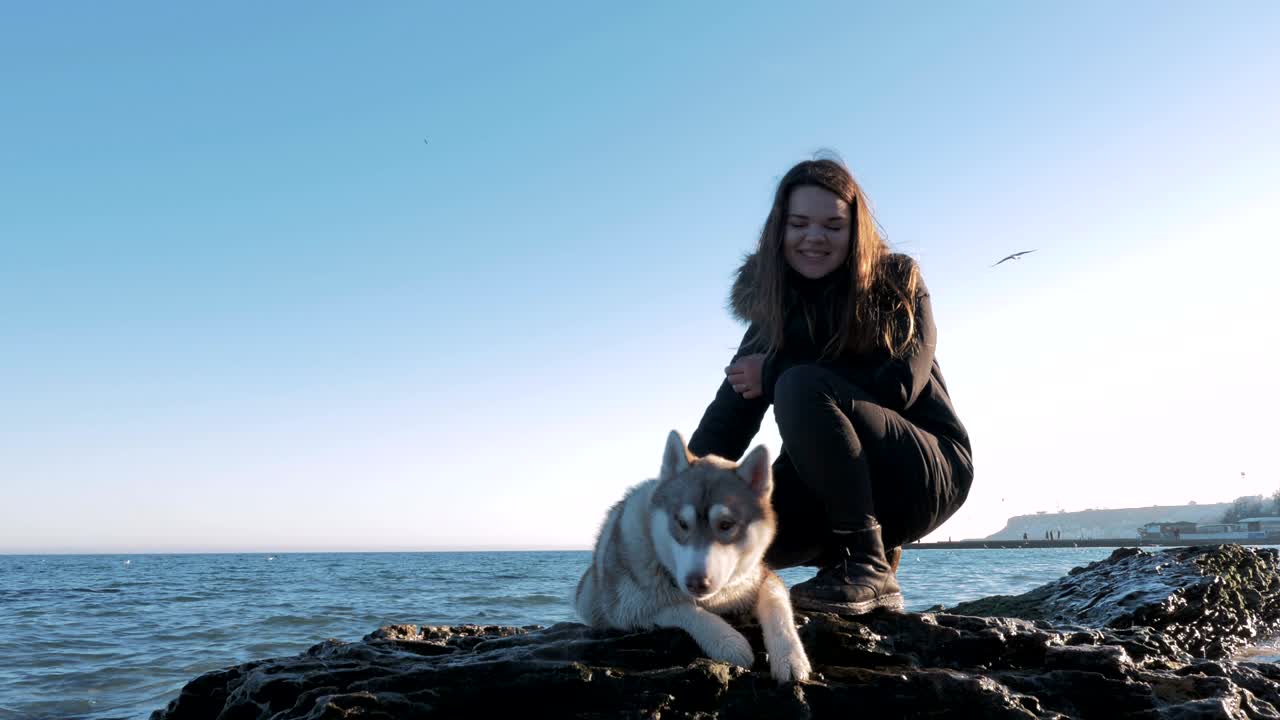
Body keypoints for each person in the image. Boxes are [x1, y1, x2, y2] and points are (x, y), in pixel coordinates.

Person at [687, 157, 974, 615]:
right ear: (779, 230)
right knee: (729, 548)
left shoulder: (897, 282)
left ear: (854, 230)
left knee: (800, 384)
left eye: (832, 225)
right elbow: (725, 426)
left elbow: (899, 386)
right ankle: (845, 561)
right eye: (799, 223)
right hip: (829, 479)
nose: (814, 237)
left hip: (923, 472)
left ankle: (868, 564)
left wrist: (778, 370)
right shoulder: (774, 310)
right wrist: (671, 499)